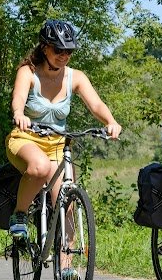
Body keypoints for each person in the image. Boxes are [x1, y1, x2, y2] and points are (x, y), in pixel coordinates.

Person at [6, 19, 122, 247]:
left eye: (69, 51)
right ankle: (19, 214)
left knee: (66, 201)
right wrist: (19, 113)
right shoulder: (28, 72)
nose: (64, 55)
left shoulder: (75, 77)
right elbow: (18, 98)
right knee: (40, 167)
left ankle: (68, 268)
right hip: (26, 139)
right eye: (59, 50)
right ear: (44, 47)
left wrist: (110, 121)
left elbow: (96, 105)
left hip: (57, 144)